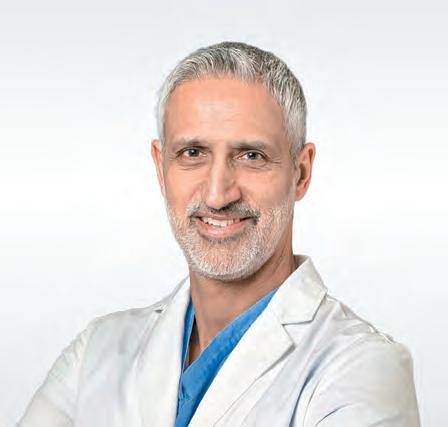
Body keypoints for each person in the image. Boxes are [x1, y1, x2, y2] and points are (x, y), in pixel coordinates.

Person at [18, 41, 420, 427]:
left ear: (301, 173)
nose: (217, 194)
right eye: (192, 153)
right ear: (160, 168)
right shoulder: (97, 352)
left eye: (251, 156)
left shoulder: (363, 368)